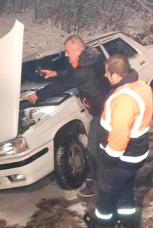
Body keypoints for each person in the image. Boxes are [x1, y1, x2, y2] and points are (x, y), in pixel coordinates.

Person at [26, 35, 110, 197]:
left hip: (103, 112)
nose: (65, 54)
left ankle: (100, 183)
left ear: (78, 51)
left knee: (95, 148)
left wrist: (37, 95)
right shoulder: (90, 58)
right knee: (99, 147)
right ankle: (101, 177)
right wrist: (56, 73)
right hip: (104, 108)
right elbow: (72, 73)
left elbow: (63, 85)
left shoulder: (85, 70)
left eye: (67, 51)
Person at [84, 55, 153, 228]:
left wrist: (107, 161)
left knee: (106, 196)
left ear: (115, 76)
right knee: (125, 188)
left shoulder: (124, 99)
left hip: (122, 158)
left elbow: (119, 137)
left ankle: (100, 225)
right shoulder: (140, 85)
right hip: (137, 153)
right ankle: (127, 222)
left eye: (107, 74)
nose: (106, 77)